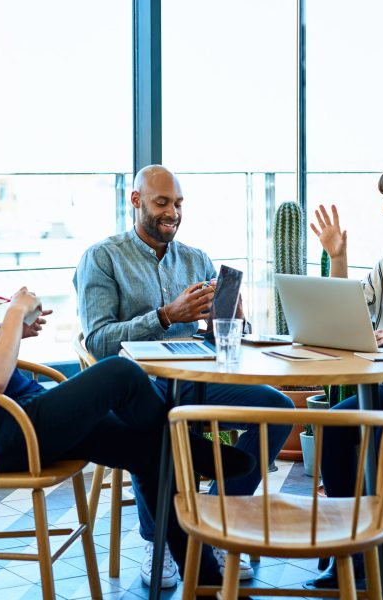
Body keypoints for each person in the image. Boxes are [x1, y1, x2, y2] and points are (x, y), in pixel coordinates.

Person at [0, 166, 256, 592]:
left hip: (25, 412)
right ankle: (191, 451)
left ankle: (200, 578)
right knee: (118, 372)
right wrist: (15, 313)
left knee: (151, 450)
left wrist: (5, 332)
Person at [74, 164, 294, 588]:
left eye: (177, 203)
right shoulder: (101, 258)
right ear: (135, 201)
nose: (172, 212)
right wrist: (164, 316)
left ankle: (213, 522)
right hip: (136, 387)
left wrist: (233, 322)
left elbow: (221, 337)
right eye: (161, 203)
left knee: (277, 408)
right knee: (152, 420)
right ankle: (159, 541)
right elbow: (99, 340)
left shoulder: (196, 259)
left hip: (198, 379)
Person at [306, 163, 383, 592]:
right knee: (338, 428)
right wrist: (337, 258)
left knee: (381, 435)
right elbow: (352, 311)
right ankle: (358, 557)